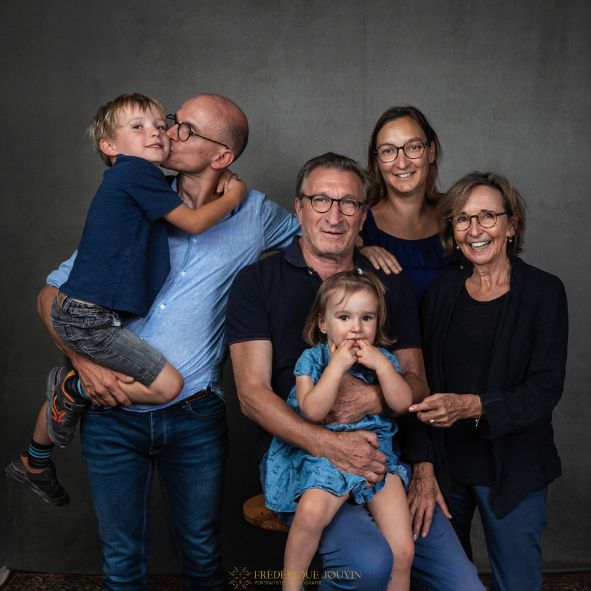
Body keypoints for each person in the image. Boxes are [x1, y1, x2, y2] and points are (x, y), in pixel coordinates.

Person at [31, 93, 301, 591]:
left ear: (222, 157)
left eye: (187, 130)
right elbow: (51, 295)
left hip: (193, 417)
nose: (169, 133)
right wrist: (81, 365)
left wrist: (367, 243)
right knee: (121, 564)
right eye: (174, 122)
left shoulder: (257, 214)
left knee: (202, 557)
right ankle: (64, 397)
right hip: (111, 414)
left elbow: (322, 231)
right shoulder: (137, 195)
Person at [226, 152, 484, 590]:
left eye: (349, 203)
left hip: (382, 457)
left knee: (464, 586)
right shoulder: (258, 281)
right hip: (306, 460)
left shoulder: (389, 283)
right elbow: (252, 394)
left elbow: (416, 381)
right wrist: (329, 444)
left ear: (363, 214)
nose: (335, 215)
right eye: (321, 200)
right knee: (368, 565)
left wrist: (378, 402)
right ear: (299, 207)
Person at [6, 93, 246, 507]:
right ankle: (74, 389)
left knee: (92, 387)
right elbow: (192, 223)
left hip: (90, 314)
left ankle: (35, 459)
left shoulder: (135, 184)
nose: (157, 132)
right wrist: (234, 196)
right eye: (138, 127)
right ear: (109, 147)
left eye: (157, 124)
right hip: (89, 316)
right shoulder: (136, 174)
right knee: (167, 384)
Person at [410, 171, 568, 591]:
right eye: (462, 219)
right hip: (445, 469)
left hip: (514, 466)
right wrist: (422, 466)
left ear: (511, 225)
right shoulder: (441, 293)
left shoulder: (544, 292)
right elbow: (419, 382)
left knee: (516, 584)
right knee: (440, 582)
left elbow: (545, 388)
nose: (474, 230)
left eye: (487, 217)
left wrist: (472, 405)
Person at [265, 270, 414, 591]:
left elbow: (402, 404)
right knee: (311, 513)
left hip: (378, 458)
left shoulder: (383, 359)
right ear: (323, 323)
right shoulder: (312, 360)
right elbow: (313, 410)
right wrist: (336, 367)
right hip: (326, 457)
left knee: (403, 549)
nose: (356, 328)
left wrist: (384, 367)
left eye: (367, 318)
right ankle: (291, 587)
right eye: (344, 317)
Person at [361, 105, 456, 302]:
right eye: (388, 151)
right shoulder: (359, 224)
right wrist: (357, 254)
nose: (402, 163)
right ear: (377, 161)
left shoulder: (456, 216)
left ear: (431, 151)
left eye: (413, 147)